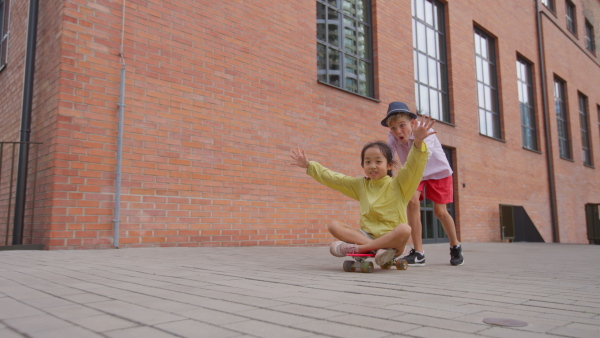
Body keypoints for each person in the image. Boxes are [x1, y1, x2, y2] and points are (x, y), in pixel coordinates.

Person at [290, 115, 435, 267]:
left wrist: (418, 142)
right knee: (333, 225)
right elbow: (334, 179)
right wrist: (309, 166)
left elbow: (413, 167)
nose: (372, 166)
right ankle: (376, 249)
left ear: (390, 165)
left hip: (393, 242)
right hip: (367, 235)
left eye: (378, 161)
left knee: (404, 229)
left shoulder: (400, 185)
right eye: (368, 162)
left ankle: (363, 249)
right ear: (363, 165)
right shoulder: (361, 185)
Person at [381, 101, 464, 266]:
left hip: (437, 172)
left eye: (402, 125)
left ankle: (455, 245)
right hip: (415, 172)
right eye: (393, 128)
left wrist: (418, 140)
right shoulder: (393, 136)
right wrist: (380, 171)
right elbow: (388, 155)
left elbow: (424, 157)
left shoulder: (426, 131)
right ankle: (419, 253)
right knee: (411, 202)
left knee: (440, 212)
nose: (398, 131)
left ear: (412, 123)